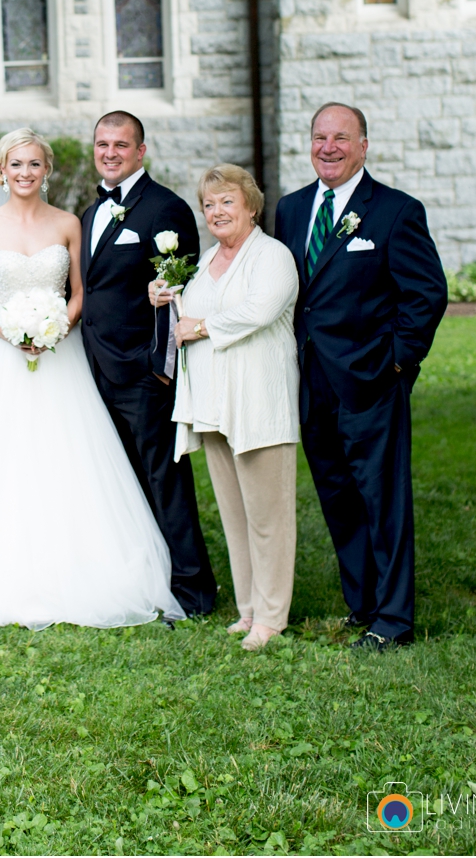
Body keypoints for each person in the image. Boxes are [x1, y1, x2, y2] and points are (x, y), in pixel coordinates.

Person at [0, 128, 182, 629]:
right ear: (1, 170)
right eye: (15, 164)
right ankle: (1, 572)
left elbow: (81, 291)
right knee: (2, 459)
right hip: (2, 357)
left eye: (34, 165)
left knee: (65, 454)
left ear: (47, 171)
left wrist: (57, 326)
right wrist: (6, 328)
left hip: (60, 355)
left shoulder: (69, 223)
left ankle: (80, 566)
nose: (25, 173)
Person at [274, 102, 447, 649]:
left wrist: (396, 361)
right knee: (338, 497)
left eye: (341, 138)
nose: (329, 147)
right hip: (312, 381)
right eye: (320, 137)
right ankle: (363, 604)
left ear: (363, 146)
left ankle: (393, 622)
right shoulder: (292, 209)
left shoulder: (395, 211)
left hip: (372, 380)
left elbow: (426, 295)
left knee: (382, 501)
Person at [151, 164, 299, 651]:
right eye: (209, 204)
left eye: (227, 202)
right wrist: (163, 296)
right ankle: (248, 609)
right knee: (235, 515)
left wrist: (200, 326)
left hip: (257, 401)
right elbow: (182, 317)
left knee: (267, 514)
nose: (216, 211)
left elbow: (258, 310)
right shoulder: (207, 260)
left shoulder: (272, 256)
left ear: (250, 206)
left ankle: (272, 616)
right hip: (214, 405)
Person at [80, 112, 218, 619]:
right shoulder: (90, 213)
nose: (110, 152)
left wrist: (155, 367)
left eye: (121, 144)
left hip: (143, 374)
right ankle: (148, 581)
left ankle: (194, 592)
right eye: (102, 144)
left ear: (141, 151)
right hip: (95, 372)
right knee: (125, 484)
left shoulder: (166, 210)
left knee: (166, 483)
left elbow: (178, 293)